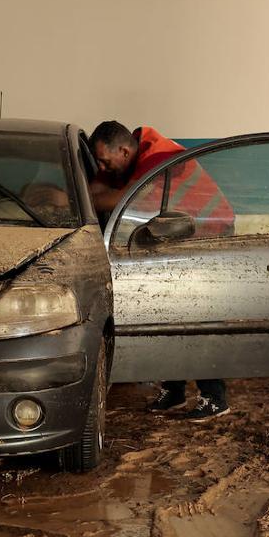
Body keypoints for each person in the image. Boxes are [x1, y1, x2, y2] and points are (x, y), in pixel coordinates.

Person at [87, 120, 234, 422]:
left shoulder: (159, 160)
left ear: (125, 151)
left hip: (208, 236)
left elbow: (117, 201)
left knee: (193, 319)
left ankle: (214, 397)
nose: (102, 166)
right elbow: (98, 187)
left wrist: (76, 202)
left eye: (104, 160)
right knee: (167, 313)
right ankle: (175, 389)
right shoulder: (134, 157)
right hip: (176, 238)